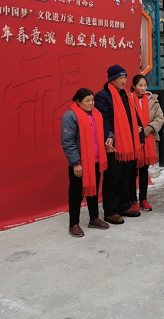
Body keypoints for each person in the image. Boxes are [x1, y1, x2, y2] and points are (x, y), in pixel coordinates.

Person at [94, 65, 146, 225]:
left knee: (127, 177)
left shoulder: (126, 95)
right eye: (120, 77)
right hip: (115, 145)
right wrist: (109, 138)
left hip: (129, 144)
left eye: (125, 77)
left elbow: (134, 116)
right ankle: (110, 211)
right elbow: (104, 121)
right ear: (111, 79)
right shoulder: (103, 96)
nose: (124, 80)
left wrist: (141, 134)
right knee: (113, 178)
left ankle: (124, 206)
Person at [61, 88, 113, 238]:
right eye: (87, 101)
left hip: (96, 160)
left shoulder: (96, 114)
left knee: (94, 191)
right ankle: (74, 224)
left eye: (92, 100)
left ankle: (94, 218)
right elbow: (68, 142)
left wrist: (110, 137)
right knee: (76, 193)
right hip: (81, 163)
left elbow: (105, 130)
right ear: (78, 101)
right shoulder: (70, 117)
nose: (91, 103)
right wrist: (76, 163)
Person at [128, 74, 164, 212]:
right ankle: (132, 201)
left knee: (144, 172)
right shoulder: (128, 100)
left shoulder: (152, 101)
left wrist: (147, 129)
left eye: (145, 85)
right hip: (132, 141)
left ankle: (143, 199)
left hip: (147, 139)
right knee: (131, 172)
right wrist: (134, 129)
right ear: (133, 86)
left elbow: (160, 118)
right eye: (140, 85)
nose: (143, 88)